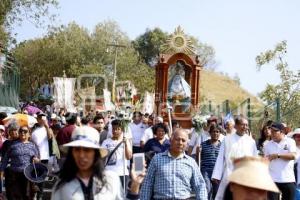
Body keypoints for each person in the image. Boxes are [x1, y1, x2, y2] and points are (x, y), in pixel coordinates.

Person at [51, 126, 123, 200]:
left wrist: (133, 193)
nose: (81, 155)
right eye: (77, 149)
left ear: (96, 153)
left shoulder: (111, 179)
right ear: (71, 153)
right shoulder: (62, 185)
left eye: (87, 150)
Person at [140, 128, 207, 199]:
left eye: (183, 140)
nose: (180, 143)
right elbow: (148, 184)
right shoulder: (157, 159)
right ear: (170, 140)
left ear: (187, 144)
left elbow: (199, 185)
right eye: (177, 139)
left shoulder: (191, 162)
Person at [211, 116, 258, 200]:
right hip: (229, 175)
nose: (245, 127)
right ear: (235, 126)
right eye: (242, 125)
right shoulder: (227, 139)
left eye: (246, 125)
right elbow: (221, 157)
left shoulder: (251, 141)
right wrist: (216, 175)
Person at [0, 125, 40, 200]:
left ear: (29, 134)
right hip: (13, 175)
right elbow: (5, 159)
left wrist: (36, 159)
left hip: (28, 176)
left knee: (27, 196)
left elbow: (37, 158)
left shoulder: (33, 145)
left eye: (25, 131)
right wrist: (1, 171)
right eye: (21, 131)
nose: (23, 133)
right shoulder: (12, 145)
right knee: (13, 196)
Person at [263, 122, 297, 200]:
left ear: (282, 131)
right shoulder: (267, 145)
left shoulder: (290, 142)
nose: (272, 133)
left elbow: (293, 156)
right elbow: (266, 161)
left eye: (275, 131)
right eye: (271, 131)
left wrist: (277, 155)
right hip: (272, 181)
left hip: (288, 180)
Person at [101, 119, 133, 187]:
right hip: (108, 173)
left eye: (118, 129)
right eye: (113, 129)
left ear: (122, 130)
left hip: (122, 173)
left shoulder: (126, 141)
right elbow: (101, 158)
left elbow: (129, 157)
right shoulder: (106, 142)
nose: (115, 131)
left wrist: (126, 144)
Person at [31, 112, 53, 200]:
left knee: (42, 177)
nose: (42, 120)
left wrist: (47, 125)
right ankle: (34, 194)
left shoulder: (47, 129)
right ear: (38, 119)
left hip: (44, 157)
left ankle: (40, 195)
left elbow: (50, 137)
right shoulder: (33, 129)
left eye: (44, 119)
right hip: (34, 156)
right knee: (34, 176)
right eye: (40, 119)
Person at [197, 125, 222, 200]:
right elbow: (198, 159)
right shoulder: (203, 144)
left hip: (217, 172)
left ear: (220, 133)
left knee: (216, 192)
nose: (215, 133)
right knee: (207, 189)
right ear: (210, 133)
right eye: (214, 132)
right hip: (206, 171)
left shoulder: (222, 145)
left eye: (217, 132)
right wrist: (198, 152)